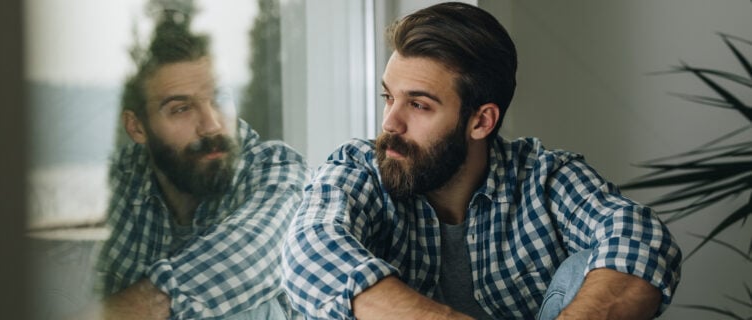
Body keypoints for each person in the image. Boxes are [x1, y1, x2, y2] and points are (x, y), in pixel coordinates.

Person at [282, 2, 681, 319]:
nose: (390, 122)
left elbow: (643, 239)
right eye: (389, 97)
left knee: (591, 268)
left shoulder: (544, 177)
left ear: (480, 120)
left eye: (418, 105)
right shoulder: (360, 167)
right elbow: (309, 250)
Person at [94, 11, 307, 320]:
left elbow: (248, 260)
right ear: (137, 127)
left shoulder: (278, 169)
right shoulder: (129, 177)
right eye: (181, 109)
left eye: (219, 98)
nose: (211, 125)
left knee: (248, 307)